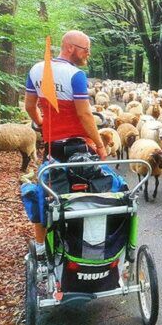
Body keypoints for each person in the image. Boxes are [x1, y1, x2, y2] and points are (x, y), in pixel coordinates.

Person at [23, 30, 107, 256]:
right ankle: (99, 238)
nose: (87, 54)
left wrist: (42, 125)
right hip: (82, 146)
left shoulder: (36, 70)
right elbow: (85, 115)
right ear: (70, 47)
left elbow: (30, 106)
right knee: (107, 184)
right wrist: (100, 145)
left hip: (55, 150)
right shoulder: (76, 75)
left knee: (43, 190)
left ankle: (41, 245)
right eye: (85, 50)